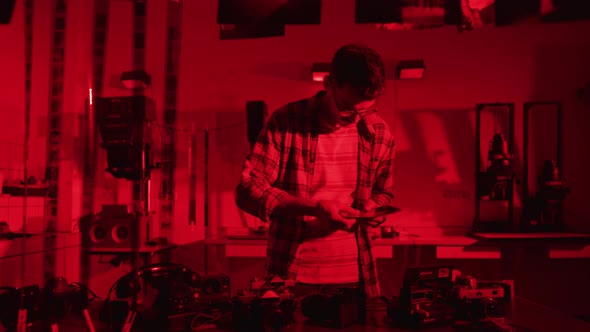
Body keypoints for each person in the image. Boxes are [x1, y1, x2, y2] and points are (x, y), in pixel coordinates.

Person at [235, 44, 395, 305]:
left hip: (355, 276)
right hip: (291, 277)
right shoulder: (286, 121)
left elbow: (384, 193)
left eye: (365, 111)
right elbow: (247, 189)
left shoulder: (379, 132)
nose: (355, 119)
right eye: (346, 108)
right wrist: (315, 208)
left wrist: (372, 208)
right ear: (328, 83)